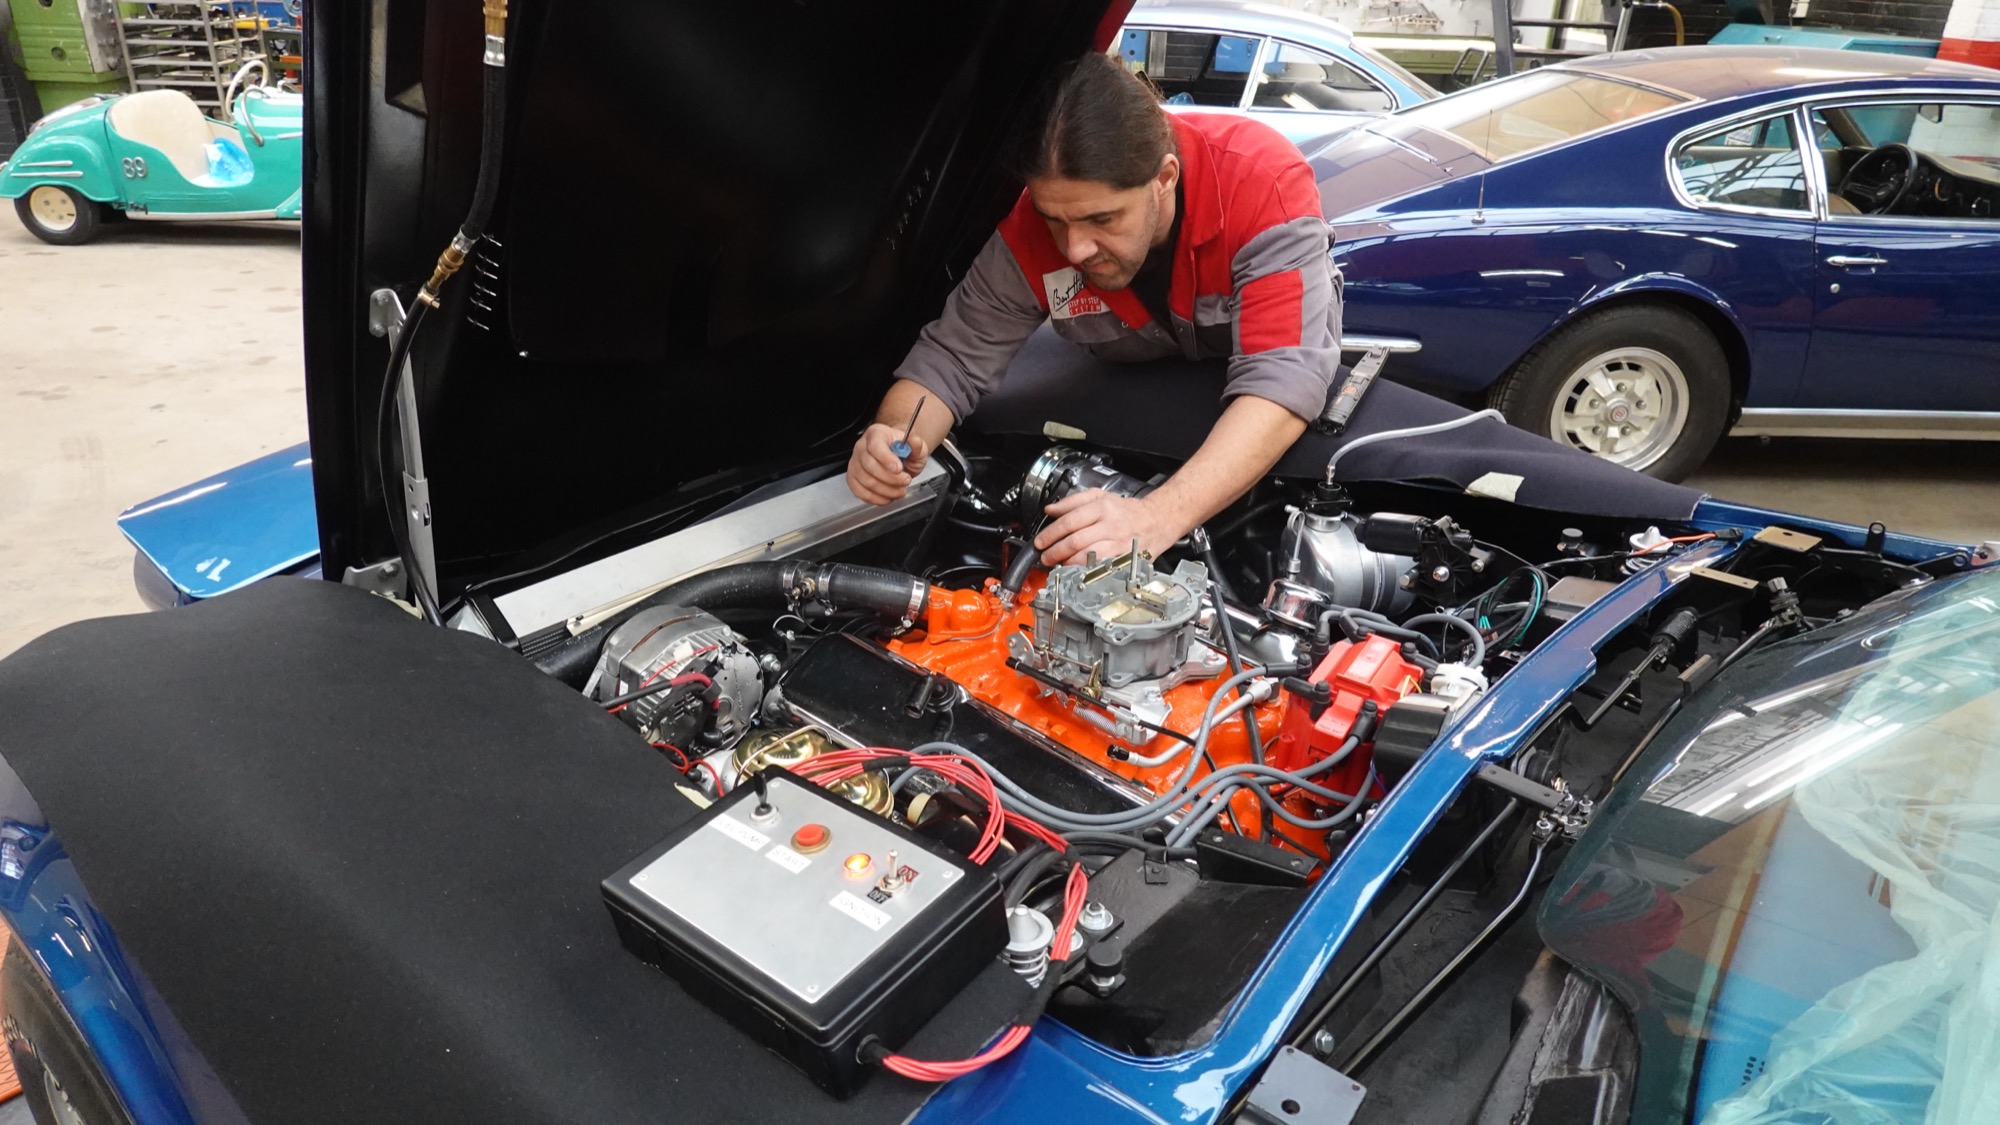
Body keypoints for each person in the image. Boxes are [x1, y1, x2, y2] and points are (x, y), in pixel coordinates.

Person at [845, 51, 1342, 565]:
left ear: (1165, 178)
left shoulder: (1261, 185)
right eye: (1055, 220)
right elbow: (949, 361)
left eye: (1102, 219)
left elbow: (1282, 380)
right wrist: (893, 437)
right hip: (1130, 392)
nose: (1075, 248)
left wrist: (1156, 516)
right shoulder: (1035, 224)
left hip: (1249, 398)